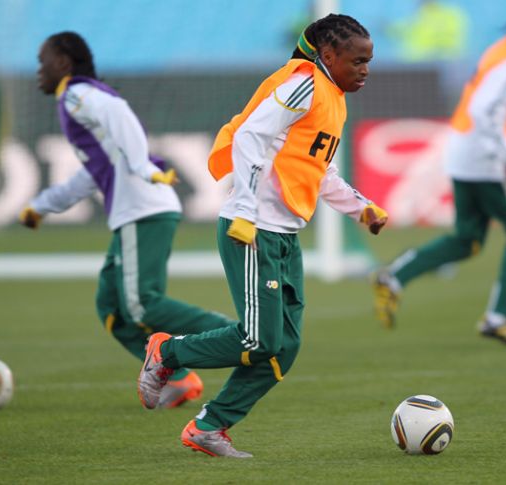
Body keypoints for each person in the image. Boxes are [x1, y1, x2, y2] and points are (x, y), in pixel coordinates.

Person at [136, 14, 388, 458]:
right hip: (252, 230)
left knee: (282, 350)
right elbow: (250, 136)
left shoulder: (333, 98)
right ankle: (166, 352)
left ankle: (209, 427)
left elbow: (317, 169)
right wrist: (246, 210)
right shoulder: (304, 83)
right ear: (328, 56)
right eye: (357, 60)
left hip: (284, 235)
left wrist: (359, 207)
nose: (365, 69)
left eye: (369, 60)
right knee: (260, 340)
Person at [20, 31, 238, 408]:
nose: (38, 71)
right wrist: (43, 204)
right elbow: (90, 172)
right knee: (112, 308)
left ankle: (236, 334)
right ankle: (179, 379)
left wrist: (143, 165)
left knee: (141, 305)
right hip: (135, 211)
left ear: (63, 63)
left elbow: (118, 113)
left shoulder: (78, 94)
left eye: (43, 62)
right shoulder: (76, 103)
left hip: (144, 207)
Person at [373, 3, 506, 346]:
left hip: (463, 153)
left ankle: (395, 277)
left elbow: (495, 95)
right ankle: (498, 317)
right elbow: (483, 108)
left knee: (467, 239)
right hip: (488, 161)